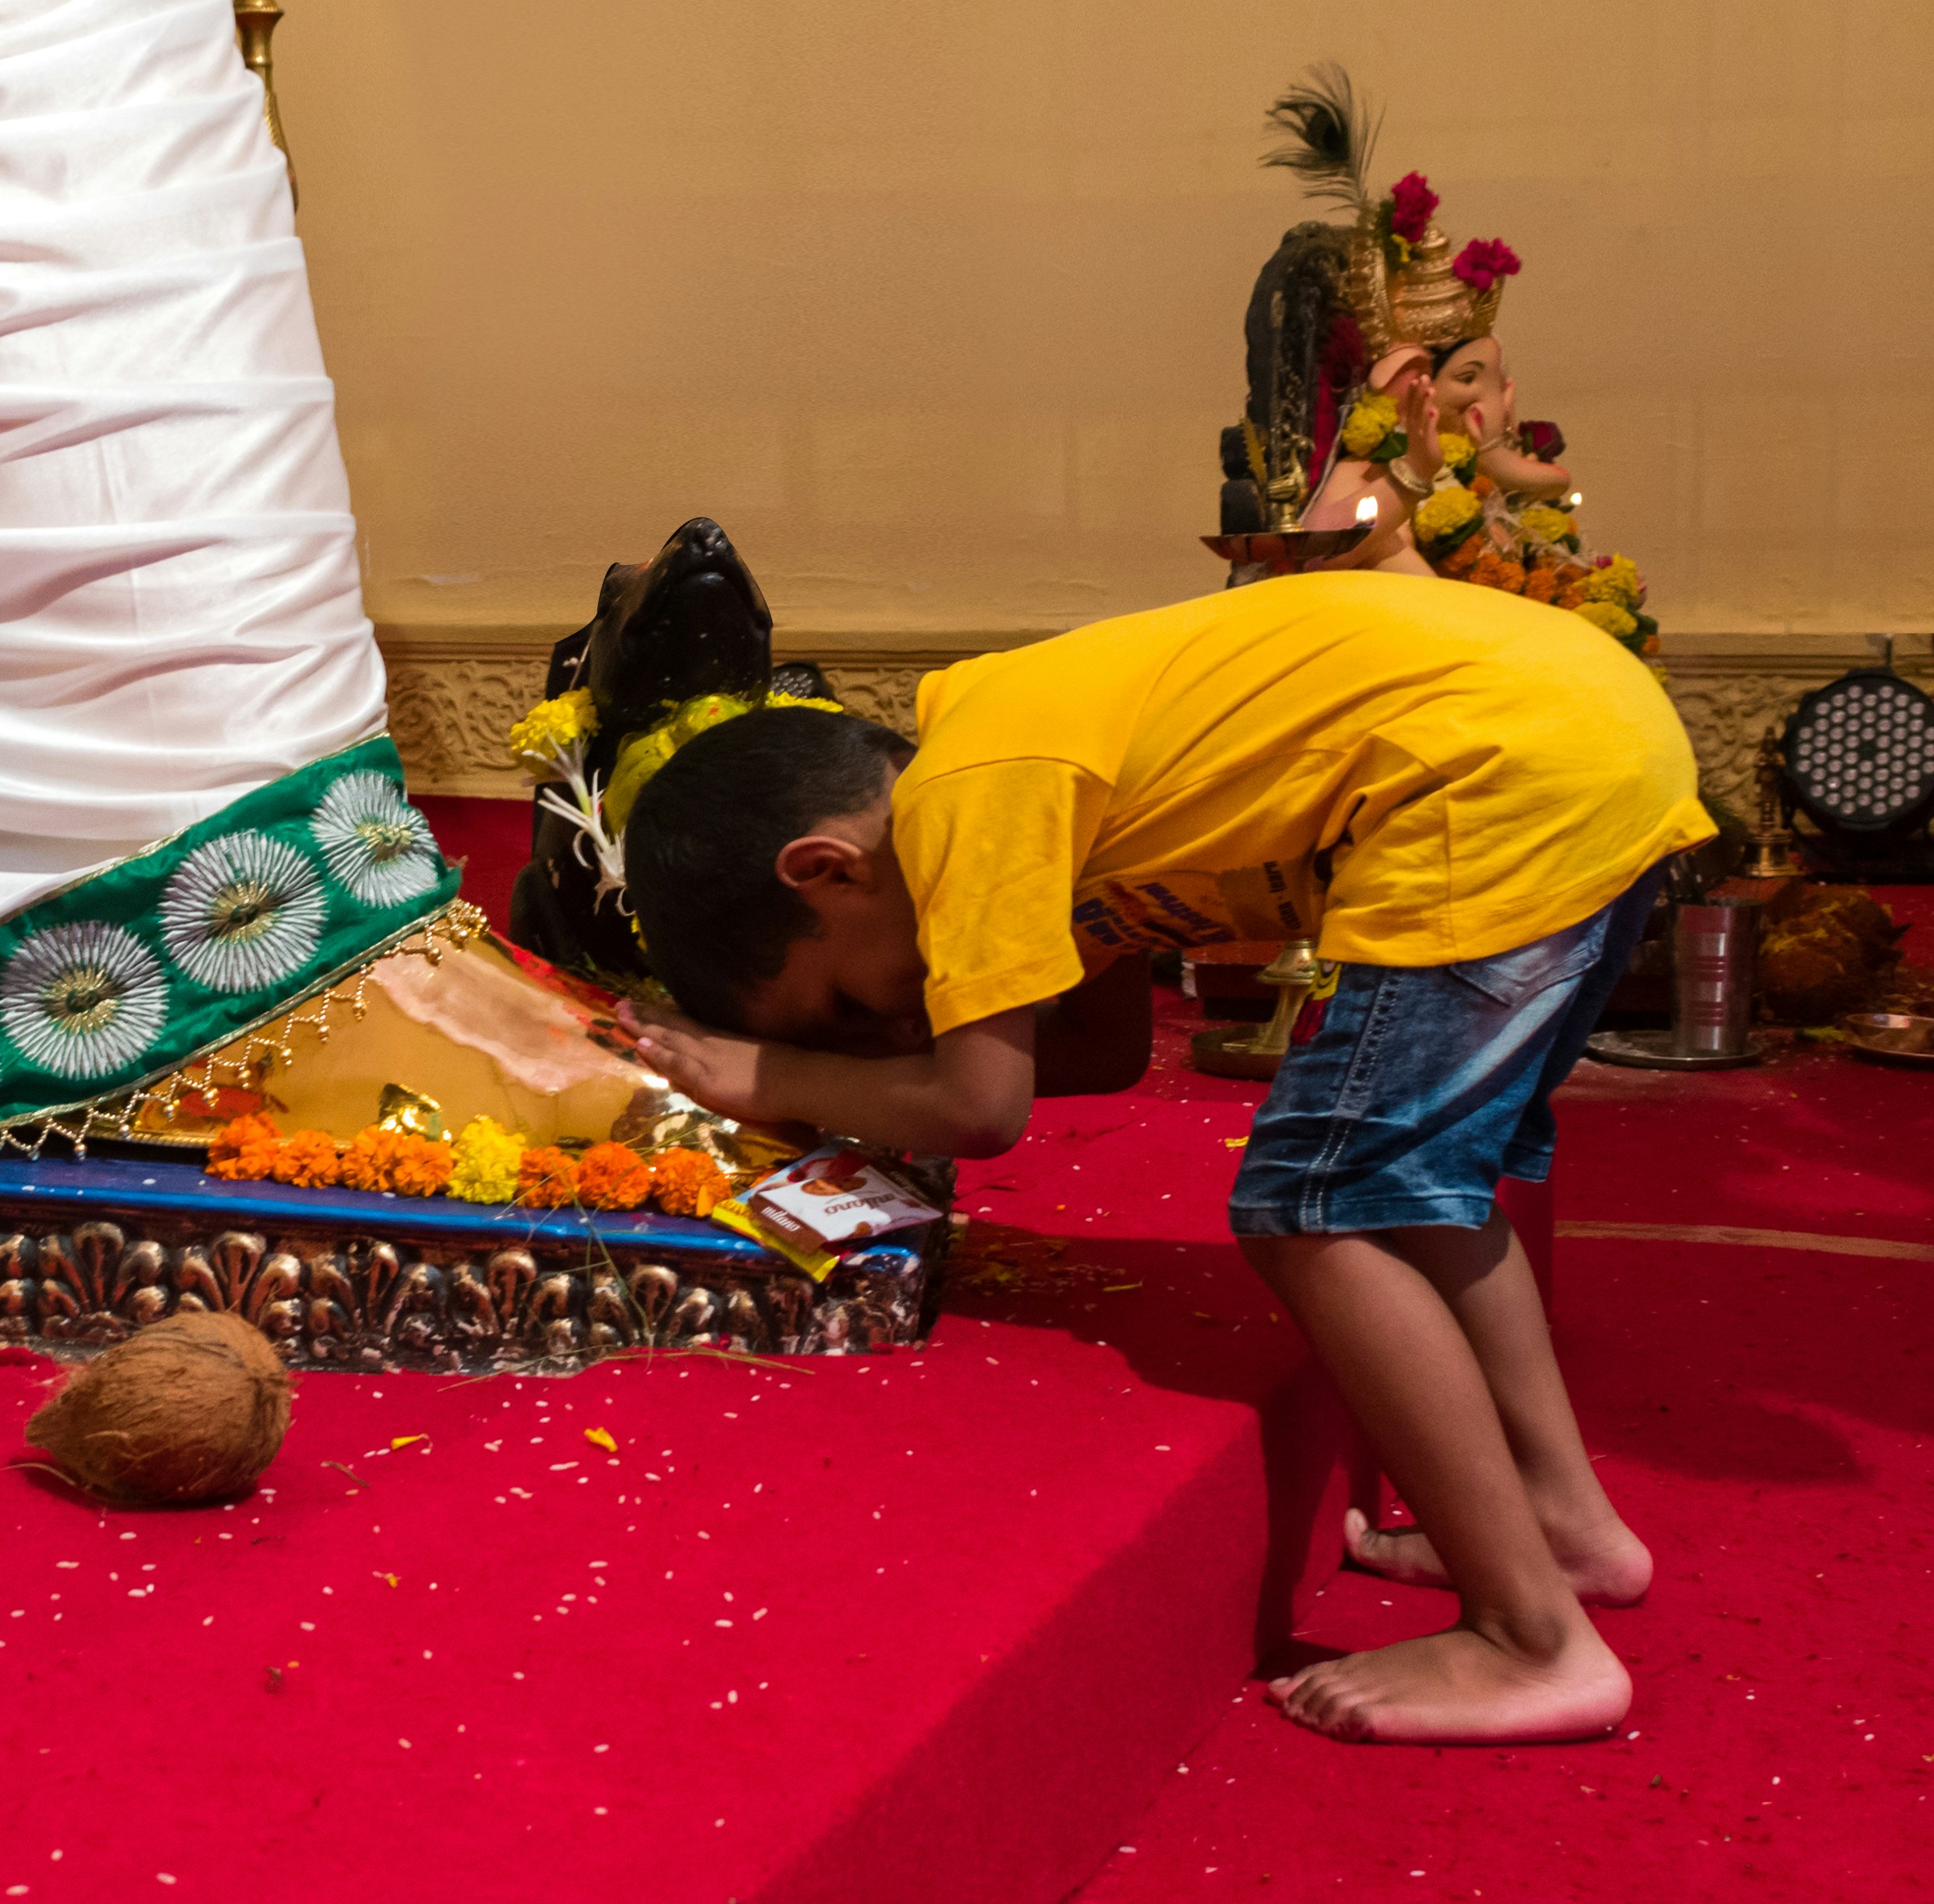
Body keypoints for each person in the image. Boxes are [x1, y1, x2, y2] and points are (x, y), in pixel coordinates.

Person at [614, 569, 1713, 1746]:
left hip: (1493, 781)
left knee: (1313, 1209)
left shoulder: (961, 799)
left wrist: (764, 1077)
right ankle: (1561, 1517)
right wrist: (880, 1076)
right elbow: (1098, 1049)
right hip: (1585, 737)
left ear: (825, 869)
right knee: (1428, 1191)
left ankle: (1531, 1638)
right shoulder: (1025, 758)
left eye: (845, 999)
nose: (884, 1025)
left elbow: (983, 1107)